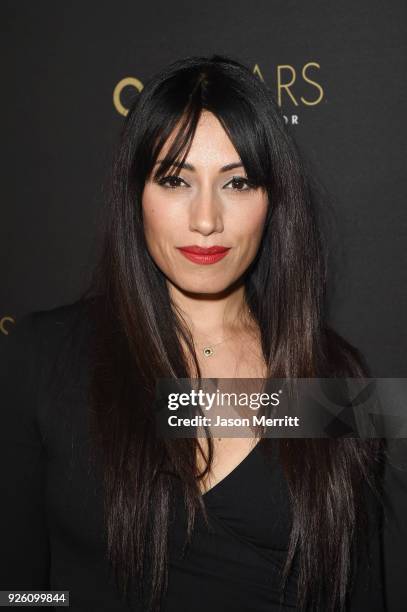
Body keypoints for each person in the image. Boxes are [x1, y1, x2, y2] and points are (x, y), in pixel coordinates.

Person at [0, 54, 386, 611]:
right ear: (137, 195)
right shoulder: (40, 356)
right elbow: (17, 591)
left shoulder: (334, 377)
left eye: (238, 182)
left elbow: (361, 593)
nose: (206, 219)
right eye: (176, 180)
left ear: (272, 202)